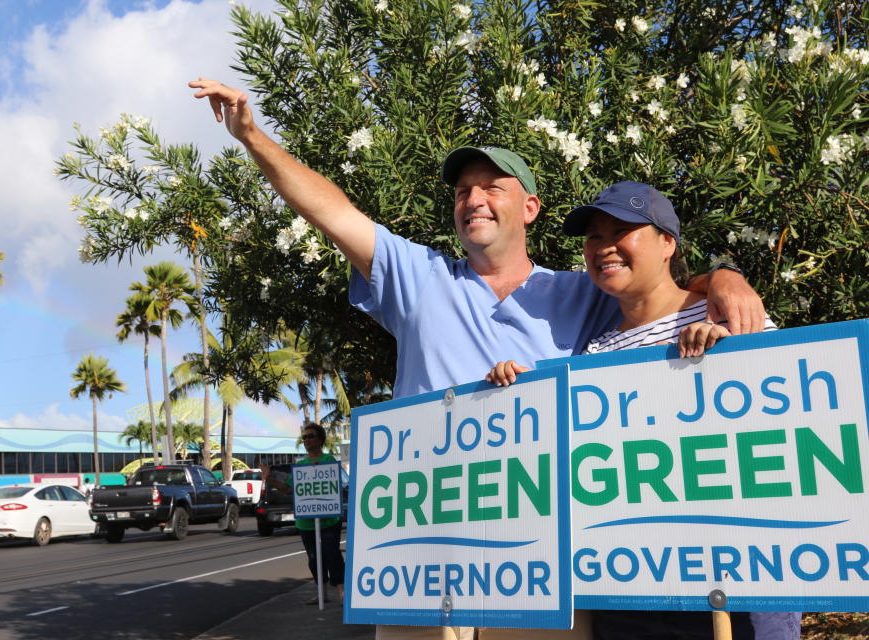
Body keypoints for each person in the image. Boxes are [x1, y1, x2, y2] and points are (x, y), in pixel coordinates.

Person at [189, 78, 767, 640]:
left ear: (531, 207)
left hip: (540, 565)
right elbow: (331, 211)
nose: (474, 199)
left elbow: (655, 285)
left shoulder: (581, 291)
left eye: (492, 187)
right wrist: (252, 136)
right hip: (421, 560)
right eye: (463, 191)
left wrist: (724, 278)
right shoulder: (417, 277)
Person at [488, 182, 795, 640]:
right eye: (594, 236)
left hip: (741, 591)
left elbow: (787, 440)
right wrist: (515, 392)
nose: (605, 246)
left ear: (667, 242)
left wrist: (730, 365)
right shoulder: (593, 352)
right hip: (630, 591)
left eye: (623, 230)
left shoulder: (733, 316)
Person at [294, 422, 346, 605]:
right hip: (306, 522)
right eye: (304, 437)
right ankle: (321, 593)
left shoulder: (329, 460)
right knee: (314, 558)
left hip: (329, 520)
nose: (307, 439)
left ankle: (342, 592)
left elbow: (333, 484)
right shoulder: (301, 466)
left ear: (320, 439)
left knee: (332, 554)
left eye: (311, 436)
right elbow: (290, 489)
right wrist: (270, 479)